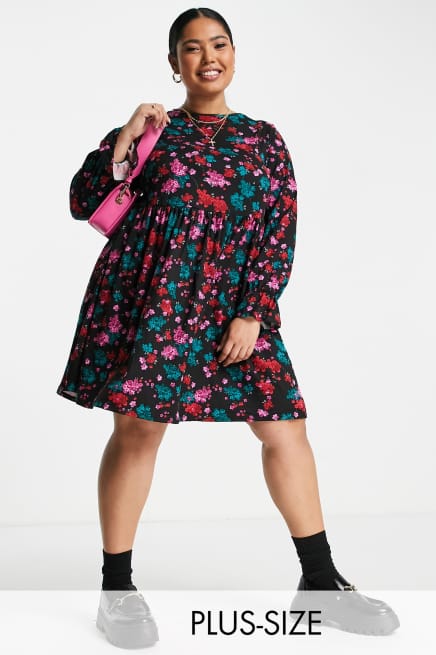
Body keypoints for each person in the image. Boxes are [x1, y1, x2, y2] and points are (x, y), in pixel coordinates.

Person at [56, 7, 400, 648]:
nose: (207, 57)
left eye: (219, 44)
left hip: (234, 305)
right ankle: (116, 590)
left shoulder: (263, 139)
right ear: (175, 63)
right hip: (155, 301)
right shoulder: (151, 133)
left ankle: (321, 582)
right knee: (138, 432)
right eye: (192, 48)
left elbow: (279, 227)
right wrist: (124, 137)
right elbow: (83, 202)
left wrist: (254, 309)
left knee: (285, 428)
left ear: (234, 54)